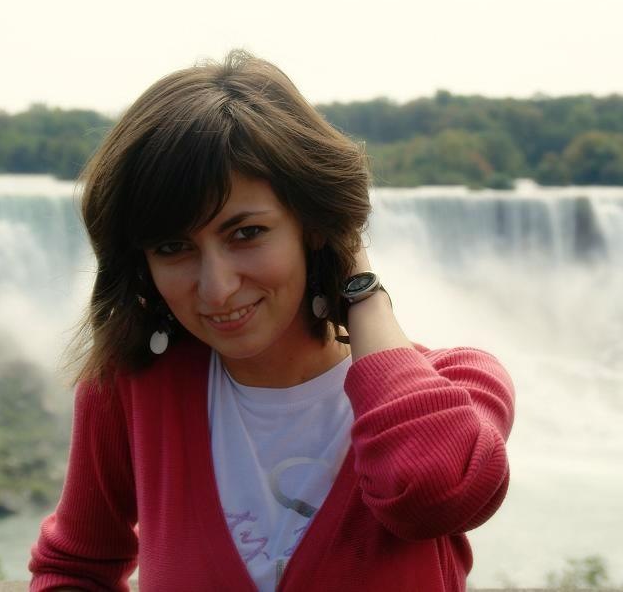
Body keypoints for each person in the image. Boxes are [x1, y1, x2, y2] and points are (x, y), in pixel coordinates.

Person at [28, 51, 515, 592]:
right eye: (172, 247)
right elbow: (75, 571)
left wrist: (362, 290)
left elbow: (434, 494)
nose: (216, 287)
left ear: (313, 224)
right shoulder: (129, 392)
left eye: (246, 233)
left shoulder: (460, 386)